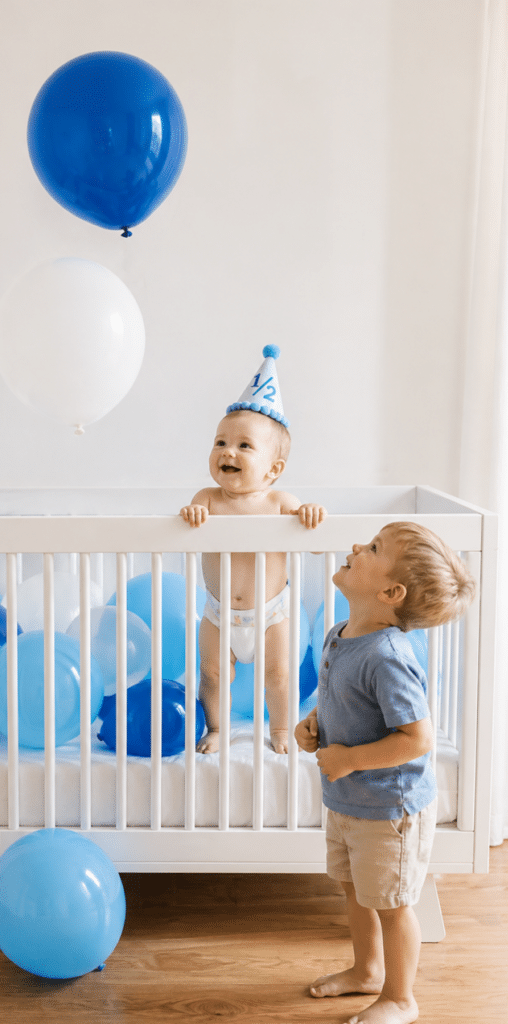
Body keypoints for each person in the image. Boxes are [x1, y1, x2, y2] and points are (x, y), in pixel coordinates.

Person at [295, 521, 475, 1024]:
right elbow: (341, 702)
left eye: (373, 548)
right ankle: (367, 970)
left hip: (389, 807)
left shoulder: (388, 656)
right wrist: (312, 725)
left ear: (390, 592)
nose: (356, 546)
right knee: (356, 891)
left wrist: (349, 758)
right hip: (351, 800)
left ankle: (400, 997)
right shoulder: (340, 635)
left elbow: (415, 738)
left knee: (392, 905)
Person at [180, 345, 326, 754]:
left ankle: (280, 731)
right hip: (218, 610)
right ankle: (217, 730)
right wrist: (192, 515)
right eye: (221, 441)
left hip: (272, 611)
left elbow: (315, 546)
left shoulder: (282, 503)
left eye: (245, 446)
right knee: (211, 673)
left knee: (279, 674)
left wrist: (310, 516)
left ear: (274, 469)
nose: (228, 451)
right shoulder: (207, 497)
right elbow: (189, 525)